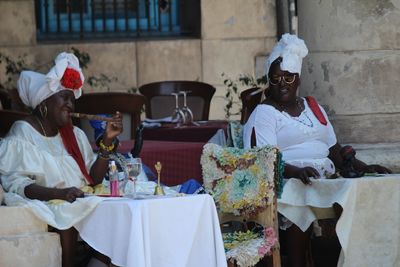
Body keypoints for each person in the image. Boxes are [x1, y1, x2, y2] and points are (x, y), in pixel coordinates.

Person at [243, 34, 391, 267]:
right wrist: (294, 171)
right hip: (285, 182)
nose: (282, 83)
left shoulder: (312, 107)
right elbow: (265, 159)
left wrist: (364, 168)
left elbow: (334, 149)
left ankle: (360, 259)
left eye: (288, 77)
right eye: (275, 79)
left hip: (324, 180)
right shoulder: (264, 113)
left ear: (298, 79)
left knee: (367, 194)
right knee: (298, 197)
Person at [0, 52, 123, 267]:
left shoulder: (74, 134)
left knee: (113, 209)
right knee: (65, 215)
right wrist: (59, 194)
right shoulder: (23, 133)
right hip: (47, 201)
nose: (70, 105)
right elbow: (18, 185)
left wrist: (107, 142)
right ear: (43, 102)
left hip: (75, 200)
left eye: (72, 100)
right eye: (63, 97)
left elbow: (93, 179)